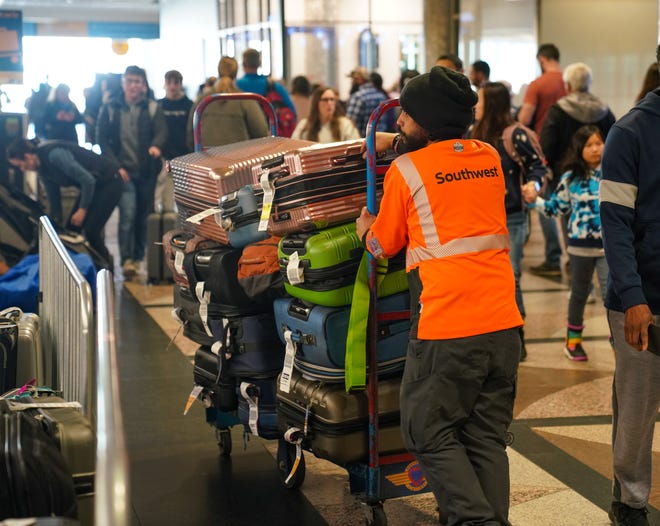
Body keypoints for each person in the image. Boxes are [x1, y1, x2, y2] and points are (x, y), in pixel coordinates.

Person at [356, 66, 522, 526]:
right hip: (504, 325)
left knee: (425, 429)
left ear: (424, 121)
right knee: (485, 437)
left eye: (406, 116)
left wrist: (364, 228)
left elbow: (382, 245)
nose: (400, 123)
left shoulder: (407, 170)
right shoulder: (488, 156)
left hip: (447, 327)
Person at [599, 44, 660, 526]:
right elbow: (615, 223)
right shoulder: (630, 132)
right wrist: (635, 300)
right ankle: (630, 501)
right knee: (638, 411)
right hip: (641, 297)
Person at [470, 81, 547, 361]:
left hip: (511, 216)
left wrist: (533, 186)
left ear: (492, 103)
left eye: (479, 100)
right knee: (488, 279)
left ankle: (517, 336)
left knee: (510, 276)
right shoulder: (471, 135)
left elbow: (538, 166)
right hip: (480, 219)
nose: (475, 106)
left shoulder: (514, 135)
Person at [525, 125, 607, 361]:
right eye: (588, 145)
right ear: (579, 149)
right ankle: (573, 343)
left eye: (598, 143)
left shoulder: (612, 172)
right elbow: (556, 208)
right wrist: (534, 201)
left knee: (613, 294)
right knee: (579, 294)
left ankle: (617, 339)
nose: (594, 149)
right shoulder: (570, 178)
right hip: (580, 247)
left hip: (607, 247)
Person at [540, 62, 615, 275]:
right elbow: (615, 139)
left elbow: (547, 144)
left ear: (568, 85)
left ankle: (576, 265)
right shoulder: (603, 109)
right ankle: (603, 268)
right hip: (600, 178)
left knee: (569, 223)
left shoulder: (558, 110)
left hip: (567, 175)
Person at [96, 65, 168, 281]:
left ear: (143, 85)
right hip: (123, 172)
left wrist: (156, 146)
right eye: (130, 81)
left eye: (138, 81)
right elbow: (101, 138)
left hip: (146, 172)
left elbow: (162, 132)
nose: (133, 85)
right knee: (127, 214)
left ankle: (137, 258)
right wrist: (115, 166)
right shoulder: (110, 107)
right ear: (123, 83)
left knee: (142, 217)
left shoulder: (153, 108)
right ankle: (126, 259)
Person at [6, 137, 123, 266]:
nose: (23, 169)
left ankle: (105, 269)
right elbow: (54, 202)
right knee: (71, 229)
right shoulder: (42, 171)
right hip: (94, 185)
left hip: (110, 181)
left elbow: (87, 180)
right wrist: (54, 227)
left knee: (91, 232)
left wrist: (82, 209)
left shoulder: (54, 155)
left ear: (28, 157)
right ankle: (84, 268)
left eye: (21, 165)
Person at [518, 43, 566, 276]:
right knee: (569, 203)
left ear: (542, 59)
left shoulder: (538, 85)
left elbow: (524, 117)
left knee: (545, 201)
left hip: (544, 150)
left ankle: (553, 257)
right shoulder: (568, 82)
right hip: (569, 152)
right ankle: (573, 258)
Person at [187, 56, 269, 150]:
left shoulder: (202, 100)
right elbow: (262, 133)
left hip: (206, 161)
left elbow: (191, 135)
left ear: (218, 71)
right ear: (236, 73)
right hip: (239, 160)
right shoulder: (246, 100)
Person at [156, 70, 192, 213]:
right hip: (164, 155)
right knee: (164, 194)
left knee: (185, 196)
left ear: (180, 84)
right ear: (165, 84)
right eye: (169, 83)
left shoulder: (189, 105)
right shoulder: (159, 105)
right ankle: (167, 223)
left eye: (175, 83)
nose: (172, 86)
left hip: (184, 156)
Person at [236, 48, 296, 115]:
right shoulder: (273, 86)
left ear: (243, 64)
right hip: (268, 124)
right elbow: (292, 111)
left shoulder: (236, 86)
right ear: (259, 64)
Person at [291, 86, 360, 143]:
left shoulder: (345, 125)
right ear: (316, 103)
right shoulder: (304, 125)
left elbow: (355, 145)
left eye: (332, 99)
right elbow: (294, 146)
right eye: (325, 100)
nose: (329, 103)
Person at [345, 68, 389, 137]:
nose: (351, 82)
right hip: (381, 140)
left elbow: (349, 125)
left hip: (363, 143)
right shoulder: (381, 96)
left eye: (353, 79)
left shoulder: (358, 97)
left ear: (360, 80)